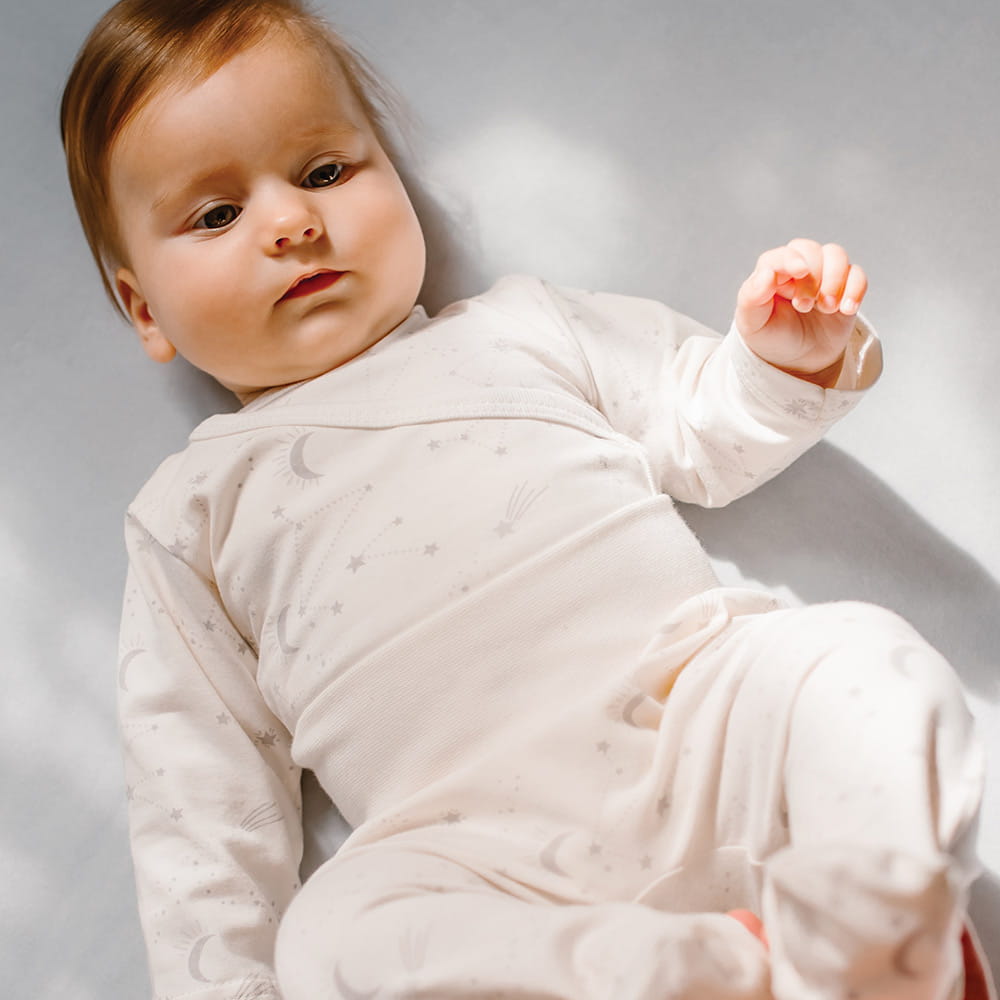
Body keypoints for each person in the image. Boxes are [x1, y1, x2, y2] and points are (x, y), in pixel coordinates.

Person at [61, 1, 995, 998]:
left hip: (699, 729)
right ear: (145, 308)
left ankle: (867, 939)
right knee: (329, 938)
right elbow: (196, 813)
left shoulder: (520, 330)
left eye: (325, 171)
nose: (292, 222)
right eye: (216, 216)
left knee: (860, 659)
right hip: (475, 856)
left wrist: (775, 361)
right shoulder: (191, 515)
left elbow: (697, 425)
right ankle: (711, 974)